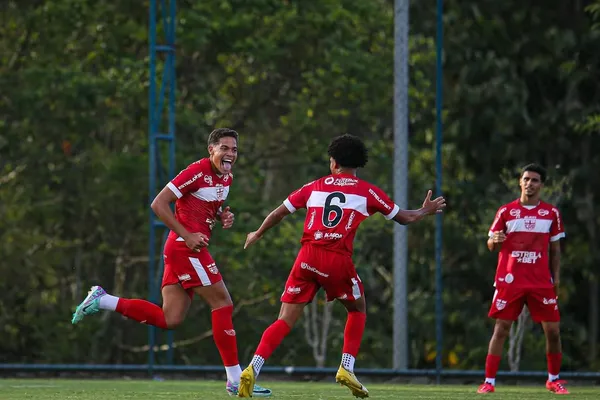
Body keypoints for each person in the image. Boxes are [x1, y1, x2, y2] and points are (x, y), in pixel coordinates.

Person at [236, 134, 446, 398]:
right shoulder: (367, 191)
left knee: (284, 319)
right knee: (357, 309)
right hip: (336, 259)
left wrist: (257, 232)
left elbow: (279, 212)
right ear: (357, 164)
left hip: (307, 257)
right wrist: (424, 211)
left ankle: (253, 368)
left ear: (333, 162)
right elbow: (403, 218)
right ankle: (347, 367)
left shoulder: (313, 186)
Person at [71, 128, 272, 397]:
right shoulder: (197, 171)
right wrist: (187, 235)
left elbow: (207, 208)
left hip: (183, 249)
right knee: (222, 302)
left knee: (171, 318)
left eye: (234, 149)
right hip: (185, 248)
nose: (230, 154)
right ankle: (236, 380)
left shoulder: (226, 177)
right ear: (210, 149)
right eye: (224, 148)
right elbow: (158, 204)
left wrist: (223, 216)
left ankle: (103, 299)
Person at [477, 163, 568, 394]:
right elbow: (491, 244)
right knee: (501, 329)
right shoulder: (506, 212)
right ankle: (489, 382)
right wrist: (494, 241)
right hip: (510, 280)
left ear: (541, 185)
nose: (529, 183)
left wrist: (556, 279)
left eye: (535, 180)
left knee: (553, 331)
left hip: (540, 281)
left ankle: (554, 379)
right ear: (520, 182)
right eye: (526, 179)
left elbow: (555, 250)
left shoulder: (551, 213)